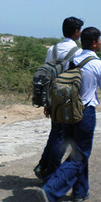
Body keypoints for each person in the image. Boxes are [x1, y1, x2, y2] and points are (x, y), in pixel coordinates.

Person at [37, 27, 101, 202]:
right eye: (100, 40)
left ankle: (80, 192)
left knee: (79, 152)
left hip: (66, 112)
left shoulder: (71, 62)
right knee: (80, 155)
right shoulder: (100, 65)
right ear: (93, 43)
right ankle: (50, 190)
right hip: (85, 113)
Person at [34, 16, 83, 181]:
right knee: (62, 138)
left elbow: (47, 76)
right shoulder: (78, 52)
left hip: (52, 97)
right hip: (68, 100)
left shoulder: (52, 49)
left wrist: (46, 103)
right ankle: (51, 176)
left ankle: (43, 166)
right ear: (77, 32)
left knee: (56, 132)